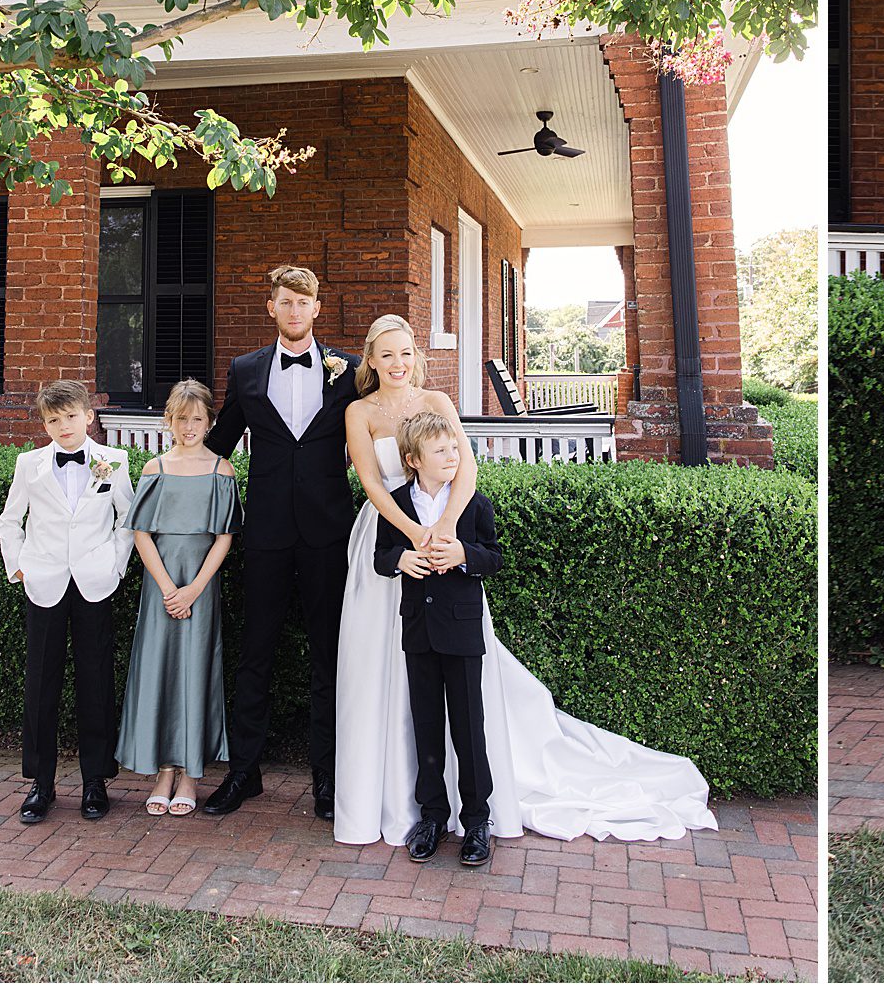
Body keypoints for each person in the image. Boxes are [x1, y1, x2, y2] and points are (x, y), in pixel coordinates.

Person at [334, 313, 717, 847]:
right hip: (393, 538)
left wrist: (444, 530)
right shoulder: (358, 412)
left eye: (405, 353)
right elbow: (371, 482)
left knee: (464, 701)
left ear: (415, 356)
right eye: (387, 355)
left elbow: (465, 468)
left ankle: (474, 816)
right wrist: (412, 535)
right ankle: (401, 803)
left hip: (446, 539)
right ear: (370, 361)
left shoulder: (438, 403)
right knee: (389, 674)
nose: (398, 364)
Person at [201, 265, 362, 819]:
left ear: (318, 308)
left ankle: (327, 778)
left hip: (327, 533)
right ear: (270, 307)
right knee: (255, 655)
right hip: (265, 532)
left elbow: (380, 431)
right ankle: (244, 774)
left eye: (304, 302)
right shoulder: (245, 370)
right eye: (285, 302)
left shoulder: (351, 371)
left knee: (328, 656)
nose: (295, 311)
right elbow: (218, 443)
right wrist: (165, 464)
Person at [0, 380, 133, 824]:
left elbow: (127, 520)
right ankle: (42, 783)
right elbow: (9, 523)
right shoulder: (28, 465)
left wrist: (114, 565)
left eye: (71, 416)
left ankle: (95, 780)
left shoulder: (114, 462)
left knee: (95, 681)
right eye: (54, 420)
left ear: (88, 416)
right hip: (45, 581)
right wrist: (19, 567)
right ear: (45, 423)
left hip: (95, 582)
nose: (64, 426)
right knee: (40, 683)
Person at [372, 410, 502, 866]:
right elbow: (381, 555)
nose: (453, 455)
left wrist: (465, 553)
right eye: (441, 450)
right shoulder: (397, 504)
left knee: (469, 727)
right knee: (426, 726)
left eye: (454, 448)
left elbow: (495, 557)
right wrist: (400, 562)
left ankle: (477, 820)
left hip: (462, 630)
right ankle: (431, 815)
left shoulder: (472, 503)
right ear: (413, 459)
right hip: (419, 632)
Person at [115, 379, 241, 817]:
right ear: (169, 420)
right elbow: (141, 533)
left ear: (209, 422)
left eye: (198, 419)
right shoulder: (155, 470)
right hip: (161, 586)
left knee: (195, 670)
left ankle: (189, 771)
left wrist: (193, 589)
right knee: (160, 669)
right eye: (182, 418)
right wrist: (169, 589)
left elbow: (224, 537)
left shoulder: (221, 471)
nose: (190, 426)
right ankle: (163, 770)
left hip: (200, 586)